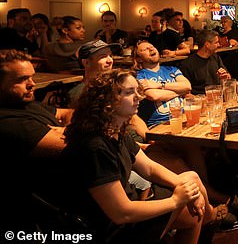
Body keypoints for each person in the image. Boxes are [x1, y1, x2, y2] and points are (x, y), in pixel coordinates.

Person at [62, 69, 216, 243]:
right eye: (129, 92)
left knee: (191, 179)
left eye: (137, 91)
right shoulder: (95, 147)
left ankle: (210, 217)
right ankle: (211, 218)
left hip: (129, 206)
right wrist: (176, 200)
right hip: (111, 229)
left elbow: (149, 168)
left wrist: (186, 190)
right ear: (107, 102)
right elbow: (122, 213)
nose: (138, 97)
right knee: (194, 211)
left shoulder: (116, 131)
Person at [0, 50, 74, 230]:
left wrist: (62, 130)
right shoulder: (6, 121)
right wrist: (68, 131)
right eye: (22, 79)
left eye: (32, 77)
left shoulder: (27, 103)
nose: (32, 84)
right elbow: (72, 145)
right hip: (53, 210)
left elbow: (69, 113)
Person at [133, 40, 191, 127]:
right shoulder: (139, 76)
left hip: (183, 118)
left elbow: (187, 86)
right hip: (158, 124)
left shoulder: (172, 69)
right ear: (139, 59)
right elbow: (154, 95)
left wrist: (160, 85)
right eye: (145, 49)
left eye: (152, 46)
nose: (151, 49)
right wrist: (180, 91)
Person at [179, 30, 231, 95]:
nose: (219, 45)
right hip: (200, 101)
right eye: (216, 42)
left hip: (218, 98)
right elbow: (184, 92)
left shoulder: (216, 58)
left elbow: (228, 77)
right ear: (207, 45)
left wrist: (225, 77)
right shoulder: (187, 64)